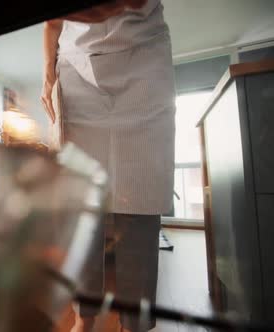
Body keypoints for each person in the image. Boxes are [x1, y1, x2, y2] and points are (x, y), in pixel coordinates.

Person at [41, 0, 175, 331]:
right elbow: (51, 21)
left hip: (143, 56)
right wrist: (48, 74)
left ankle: (135, 324)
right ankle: (84, 318)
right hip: (75, 66)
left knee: (140, 191)